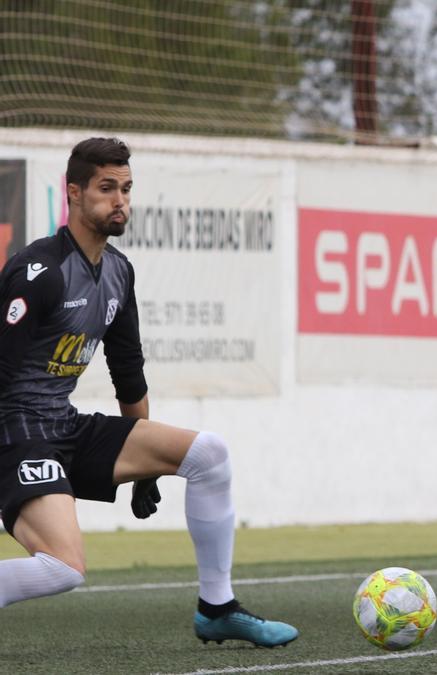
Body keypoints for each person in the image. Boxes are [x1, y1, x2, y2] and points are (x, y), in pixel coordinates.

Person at [0, 138, 298, 648]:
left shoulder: (118, 272)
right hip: (17, 432)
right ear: (73, 194)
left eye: (127, 189)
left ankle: (217, 608)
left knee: (208, 454)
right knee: (64, 567)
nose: (120, 201)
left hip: (64, 425)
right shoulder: (40, 272)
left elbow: (128, 372)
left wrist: (145, 470)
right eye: (106, 188)